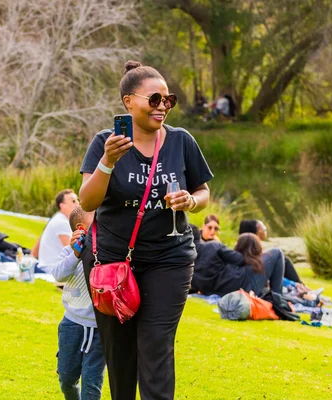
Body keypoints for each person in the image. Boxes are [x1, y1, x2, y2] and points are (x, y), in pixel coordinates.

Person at [79, 60, 213, 400]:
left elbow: (204, 192)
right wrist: (107, 162)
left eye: (168, 100)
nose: (163, 107)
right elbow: (88, 201)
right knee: (120, 354)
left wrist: (190, 202)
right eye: (155, 99)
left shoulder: (181, 141)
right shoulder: (105, 143)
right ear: (129, 101)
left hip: (170, 258)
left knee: (156, 345)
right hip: (112, 262)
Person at [46, 207, 105, 400]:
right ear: (81, 228)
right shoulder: (69, 253)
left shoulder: (105, 250)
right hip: (71, 324)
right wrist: (75, 254)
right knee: (66, 378)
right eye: (97, 219)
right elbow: (58, 274)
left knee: (91, 383)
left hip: (99, 329)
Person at [213, 233, 285, 297]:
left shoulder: (229, 264)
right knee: (277, 252)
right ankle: (278, 297)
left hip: (236, 291)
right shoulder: (254, 267)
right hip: (248, 289)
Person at [238, 219, 304, 284]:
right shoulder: (250, 254)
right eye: (262, 228)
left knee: (284, 261)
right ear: (255, 232)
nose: (265, 229)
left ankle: (300, 286)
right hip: (256, 283)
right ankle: (300, 286)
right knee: (284, 260)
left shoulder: (242, 248)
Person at [32, 189, 80, 272]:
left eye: (77, 200)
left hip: (48, 266)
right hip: (51, 269)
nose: (77, 204)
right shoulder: (61, 222)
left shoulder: (58, 219)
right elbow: (74, 251)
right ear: (62, 205)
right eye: (73, 201)